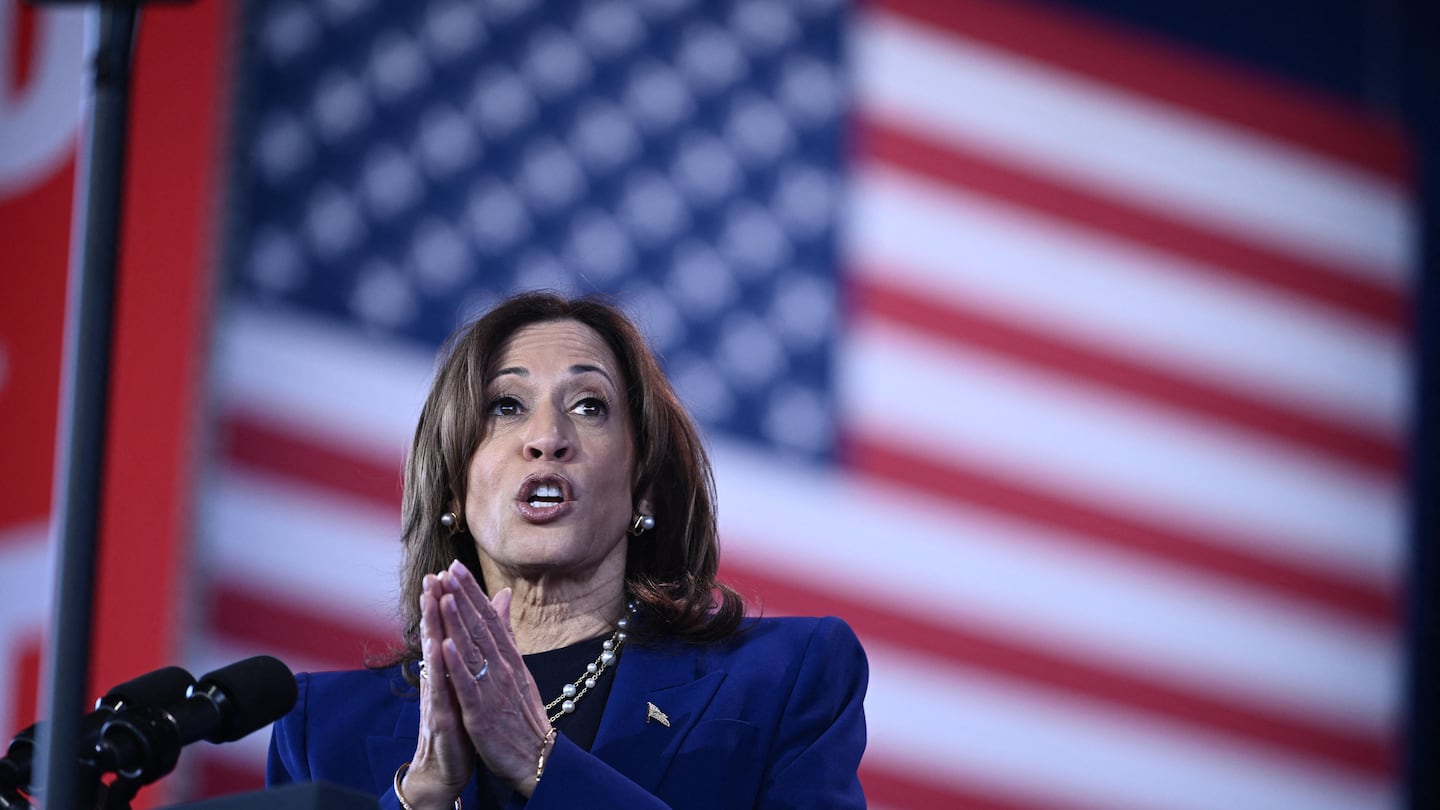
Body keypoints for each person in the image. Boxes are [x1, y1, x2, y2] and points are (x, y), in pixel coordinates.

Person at [266, 291, 868, 808]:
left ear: (644, 490)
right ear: (453, 486)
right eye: (506, 406)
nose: (548, 438)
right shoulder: (321, 732)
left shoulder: (783, 677)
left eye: (588, 406)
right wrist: (419, 796)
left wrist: (540, 764)